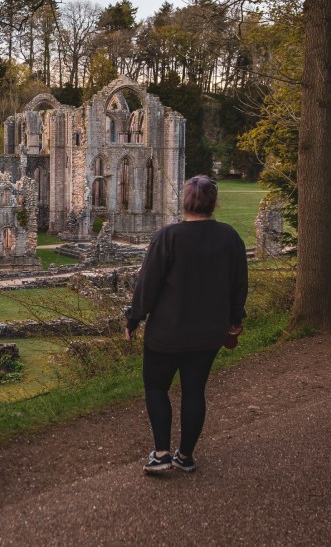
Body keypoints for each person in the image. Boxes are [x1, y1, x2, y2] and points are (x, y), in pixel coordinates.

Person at [125, 175, 248, 473]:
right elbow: (238, 284)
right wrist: (234, 319)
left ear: (185, 202)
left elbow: (148, 285)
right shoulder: (230, 237)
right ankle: (185, 456)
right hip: (207, 334)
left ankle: (162, 454)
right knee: (194, 391)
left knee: (156, 387)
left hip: (167, 333)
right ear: (213, 203)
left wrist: (134, 318)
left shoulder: (168, 237)